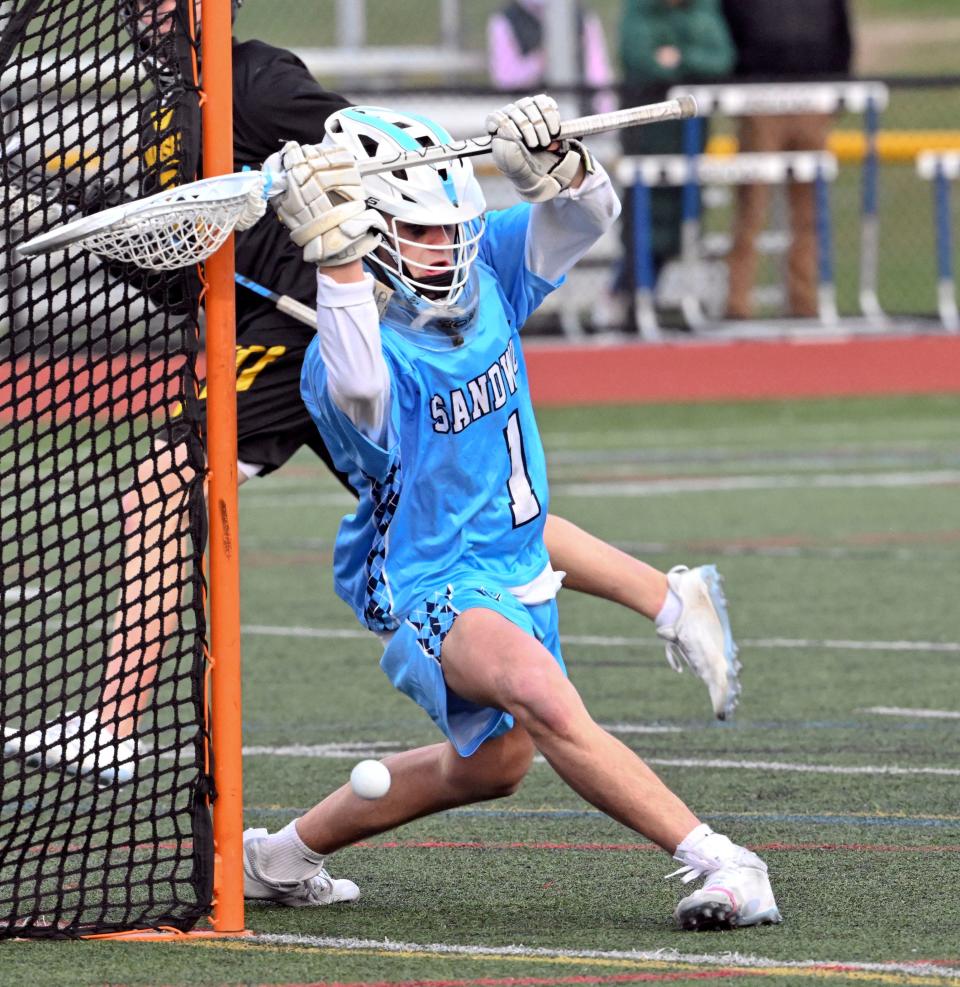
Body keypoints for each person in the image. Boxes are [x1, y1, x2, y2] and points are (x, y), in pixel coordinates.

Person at [3, 0, 739, 810]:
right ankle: (670, 596)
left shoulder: (255, 78)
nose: (153, 10)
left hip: (311, 331)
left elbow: (374, 155)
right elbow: (189, 274)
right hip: (275, 321)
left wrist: (324, 195)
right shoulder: (167, 112)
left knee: (164, 479)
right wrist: (129, 233)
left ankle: (112, 719)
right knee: (450, 504)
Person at [239, 96, 782, 932]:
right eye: (420, 233)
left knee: (493, 765)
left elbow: (589, 216)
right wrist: (336, 260)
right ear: (371, 233)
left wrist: (562, 165)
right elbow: (357, 386)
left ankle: (279, 858)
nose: (448, 248)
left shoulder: (480, 266)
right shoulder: (350, 353)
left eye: (453, 227)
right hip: (433, 576)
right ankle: (722, 858)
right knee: (544, 696)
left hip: (512, 546)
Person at [603, 0, 733, 330]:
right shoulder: (639, 10)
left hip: (689, 140)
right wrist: (682, 64)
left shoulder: (703, 10)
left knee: (680, 226)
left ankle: (646, 299)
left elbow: (720, 59)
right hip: (645, 138)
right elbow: (641, 59)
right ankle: (626, 298)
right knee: (641, 224)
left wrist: (681, 58)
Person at [721, 0, 853, 320]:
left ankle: (804, 301)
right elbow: (729, 30)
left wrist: (836, 90)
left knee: (809, 211)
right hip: (760, 99)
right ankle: (737, 303)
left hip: (813, 98)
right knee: (752, 205)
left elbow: (842, 36)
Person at [487, 0, 616, 115]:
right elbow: (506, 80)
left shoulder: (583, 17)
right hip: (528, 123)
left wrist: (604, 116)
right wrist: (541, 61)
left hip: (581, 115)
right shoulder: (505, 20)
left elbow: (598, 74)